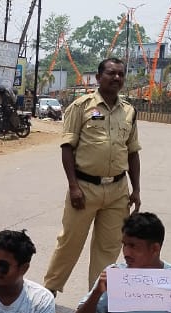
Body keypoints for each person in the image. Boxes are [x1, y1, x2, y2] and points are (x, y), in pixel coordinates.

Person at [43, 58, 142, 297]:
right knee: (70, 242)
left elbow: (132, 152)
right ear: (98, 78)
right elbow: (67, 147)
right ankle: (49, 290)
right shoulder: (81, 107)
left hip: (118, 189)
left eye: (120, 74)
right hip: (84, 188)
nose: (116, 78)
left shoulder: (129, 111)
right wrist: (73, 186)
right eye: (111, 73)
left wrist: (136, 189)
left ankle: (98, 297)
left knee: (109, 247)